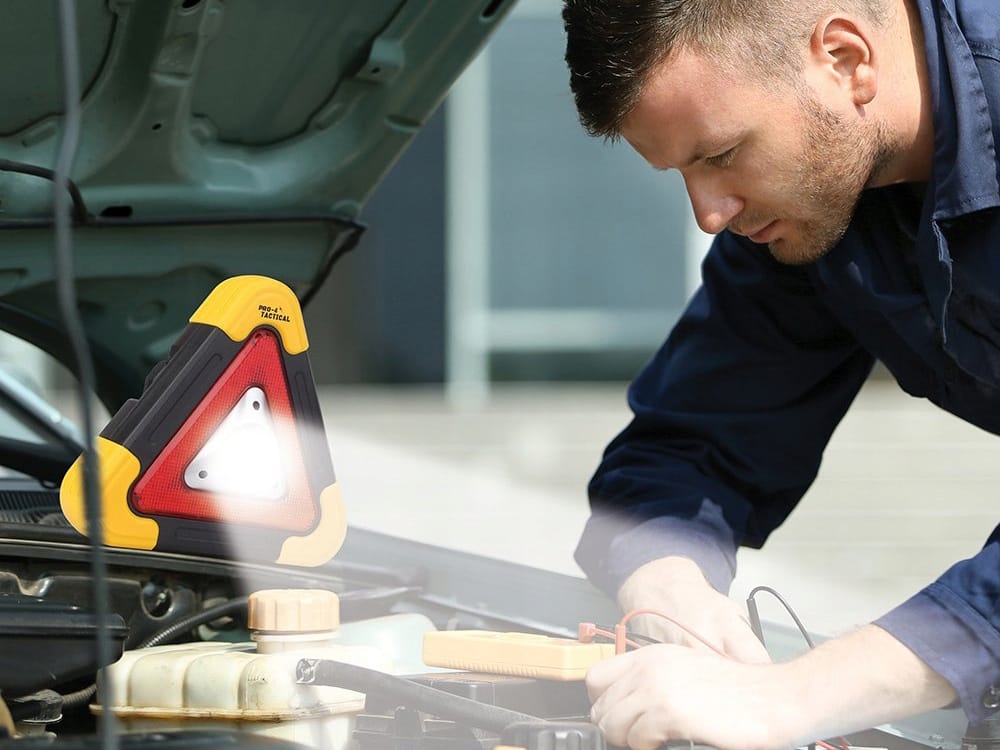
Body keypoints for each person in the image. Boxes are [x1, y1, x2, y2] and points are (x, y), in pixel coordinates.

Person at [561, 0, 1000, 748]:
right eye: (682, 172)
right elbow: (691, 444)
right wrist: (666, 582)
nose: (709, 214)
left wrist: (792, 697)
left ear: (845, 59)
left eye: (721, 154)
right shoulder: (811, 197)